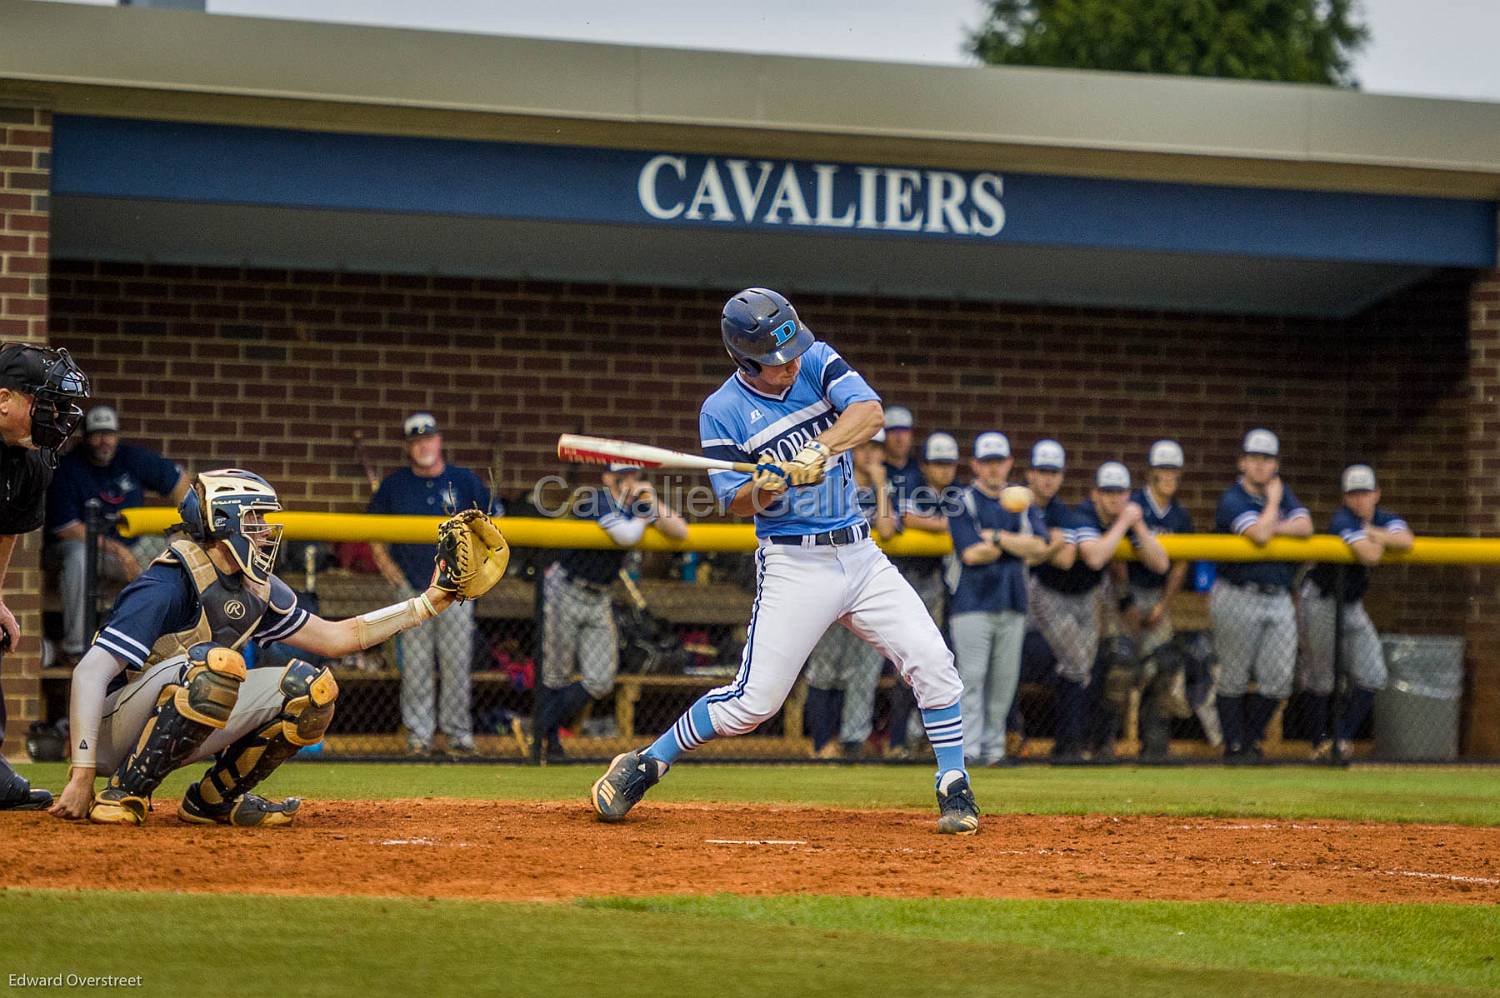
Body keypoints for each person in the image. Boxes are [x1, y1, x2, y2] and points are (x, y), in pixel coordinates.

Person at [590, 287, 979, 834]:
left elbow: (868, 414)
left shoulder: (817, 360)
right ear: (743, 359)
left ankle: (953, 784)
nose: (790, 363)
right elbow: (735, 502)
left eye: (793, 349)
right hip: (796, 565)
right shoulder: (721, 411)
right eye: (776, 360)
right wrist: (769, 485)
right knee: (754, 704)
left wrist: (818, 450)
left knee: (933, 662)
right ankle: (648, 762)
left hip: (861, 555)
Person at [532, 462, 688, 762]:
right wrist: (646, 516)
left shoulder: (637, 505)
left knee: (601, 680)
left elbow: (679, 530)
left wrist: (652, 502)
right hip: (565, 589)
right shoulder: (595, 499)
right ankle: (548, 743)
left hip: (599, 596)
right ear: (607, 477)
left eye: (633, 475)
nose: (629, 480)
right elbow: (626, 536)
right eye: (622, 476)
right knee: (556, 674)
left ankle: (539, 727)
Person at [367, 412, 493, 756]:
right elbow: (370, 530)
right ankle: (419, 736)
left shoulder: (464, 481)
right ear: (409, 447)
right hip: (413, 588)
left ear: (439, 441)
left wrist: (478, 570)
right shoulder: (394, 485)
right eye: (415, 441)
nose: (423, 445)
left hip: (456, 590)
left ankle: (457, 735)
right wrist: (386, 565)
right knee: (417, 666)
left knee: (456, 664)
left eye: (428, 438)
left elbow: (492, 528)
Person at [0, 343, 90, 811]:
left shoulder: (31, 461)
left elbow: (6, 528)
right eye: (43, 402)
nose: (55, 415)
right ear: (4, 401)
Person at [45, 404, 190, 665]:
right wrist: (118, 550)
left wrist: (183, 527)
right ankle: (77, 649)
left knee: (177, 553)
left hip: (130, 549)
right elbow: (67, 528)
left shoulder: (130, 458)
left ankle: (170, 643)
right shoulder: (68, 467)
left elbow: (180, 482)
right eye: (97, 434)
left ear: (117, 436)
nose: (104, 441)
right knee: (79, 557)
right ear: (85, 437)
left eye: (109, 434)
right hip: (85, 550)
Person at [1210, 428, 1312, 763]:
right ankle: (1234, 745)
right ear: (1242, 462)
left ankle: (1251, 739)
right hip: (1238, 594)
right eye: (1254, 458)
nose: (1260, 465)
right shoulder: (1233, 498)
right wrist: (1272, 504)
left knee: (1279, 679)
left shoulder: (1286, 494)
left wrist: (1274, 523)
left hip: (1278, 596)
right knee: (1235, 676)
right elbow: (1258, 535)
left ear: (1275, 464)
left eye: (1267, 459)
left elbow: (1306, 526)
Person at [947, 432, 1047, 766]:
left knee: (1004, 683)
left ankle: (994, 751)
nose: (993, 469)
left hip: (1013, 601)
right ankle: (969, 750)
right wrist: (1014, 545)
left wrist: (998, 538)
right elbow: (971, 553)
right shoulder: (964, 499)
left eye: (999, 462)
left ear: (1008, 464)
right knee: (971, 679)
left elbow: (1040, 547)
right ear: (975, 464)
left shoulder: (1021, 501)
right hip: (971, 603)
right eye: (986, 462)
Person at [1298, 464, 1412, 759]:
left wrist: (1372, 531)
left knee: (1373, 673)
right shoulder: (1342, 519)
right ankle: (1319, 744)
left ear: (1376, 494)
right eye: (1353, 494)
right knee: (1321, 677)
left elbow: (1406, 539)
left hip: (1350, 605)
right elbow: (1371, 555)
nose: (1360, 500)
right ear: (1345, 497)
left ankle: (1342, 738)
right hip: (1320, 601)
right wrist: (1378, 536)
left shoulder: (1380, 518)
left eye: (1365, 493)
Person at [803, 430, 899, 758]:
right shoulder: (831, 481)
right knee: (826, 667)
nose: (871, 453)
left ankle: (853, 742)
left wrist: (880, 484)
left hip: (866, 589)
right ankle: (821, 743)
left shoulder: (884, 489)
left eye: (877, 447)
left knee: (864, 669)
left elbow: (887, 529)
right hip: (828, 582)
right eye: (865, 446)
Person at [886, 430, 964, 757]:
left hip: (935, 582)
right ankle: (897, 740)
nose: (944, 470)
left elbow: (964, 520)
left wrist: (936, 522)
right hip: (905, 579)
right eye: (937, 463)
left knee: (933, 661)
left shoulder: (957, 494)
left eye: (948, 463)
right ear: (925, 464)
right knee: (902, 663)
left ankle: (921, 739)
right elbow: (905, 517)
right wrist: (946, 524)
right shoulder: (910, 484)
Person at [1122, 440, 1197, 759]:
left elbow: (1181, 566)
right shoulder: (1134, 504)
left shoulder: (1179, 514)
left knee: (1164, 666)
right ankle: (1102, 743)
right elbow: (1116, 558)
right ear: (1150, 472)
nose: (1167, 476)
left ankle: (1155, 744)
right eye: (1162, 469)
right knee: (1118, 666)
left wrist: (1163, 605)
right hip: (1124, 593)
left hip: (1157, 597)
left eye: (1173, 470)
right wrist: (1127, 600)